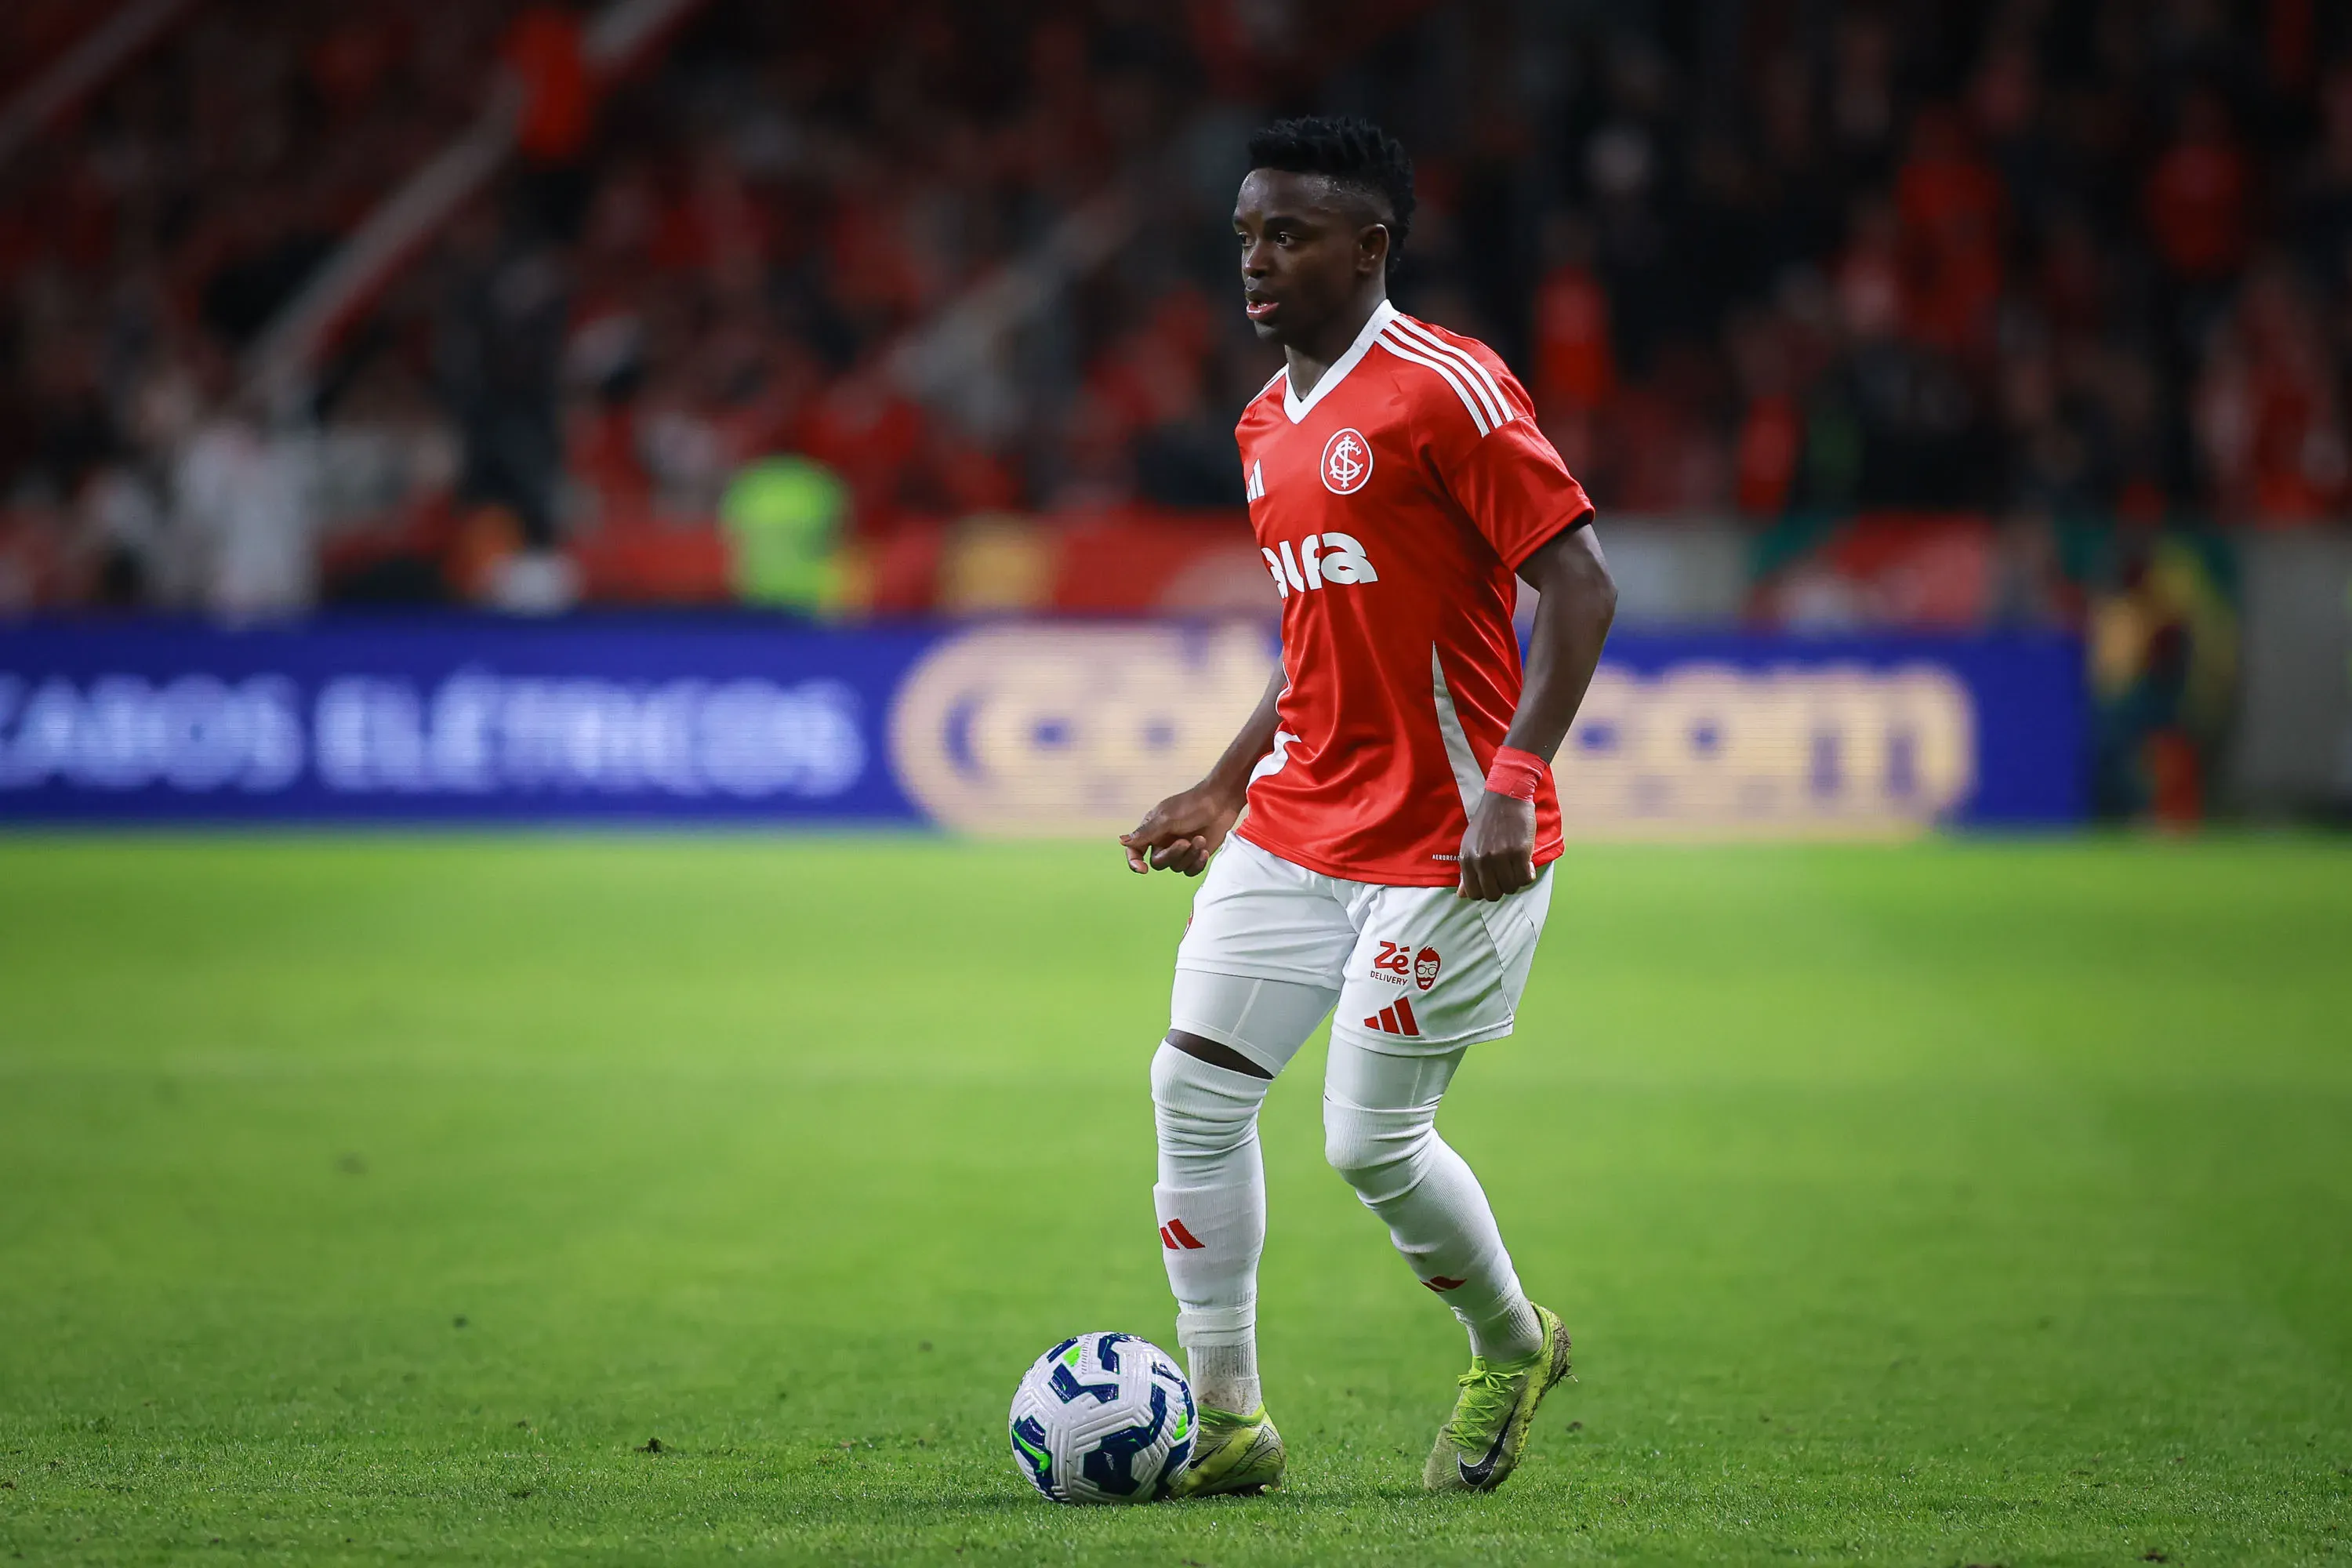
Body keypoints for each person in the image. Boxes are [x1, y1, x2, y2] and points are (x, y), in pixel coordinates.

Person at [1120, 117, 1617, 1497]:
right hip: (1298, 821)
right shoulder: (1263, 423)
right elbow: (1320, 630)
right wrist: (1224, 784)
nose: (1257, 262)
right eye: (1244, 236)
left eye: (1287, 235)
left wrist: (1517, 775)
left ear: (1370, 246)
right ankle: (1227, 1420)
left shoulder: (1445, 387)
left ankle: (1512, 1346)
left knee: (1365, 1141)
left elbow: (1579, 586)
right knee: (1192, 1093)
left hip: (1454, 835)